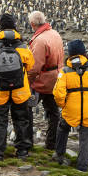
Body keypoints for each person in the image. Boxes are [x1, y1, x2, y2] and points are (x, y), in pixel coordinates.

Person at [52, 39, 88, 171]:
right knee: (86, 138)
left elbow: (58, 93)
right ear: (84, 53)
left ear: (70, 54)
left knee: (63, 127)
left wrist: (63, 104)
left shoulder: (65, 71)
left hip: (71, 110)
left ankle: (59, 155)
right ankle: (82, 166)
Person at [0, 13, 34, 161]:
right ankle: (22, 150)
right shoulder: (23, 47)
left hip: (0, 90)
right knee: (21, 120)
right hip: (20, 90)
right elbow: (30, 65)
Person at [27, 10, 64, 150]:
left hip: (41, 82)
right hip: (56, 79)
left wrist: (28, 81)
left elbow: (35, 67)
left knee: (27, 109)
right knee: (54, 112)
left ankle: (27, 141)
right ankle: (51, 143)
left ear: (32, 24)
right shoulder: (55, 34)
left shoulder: (40, 40)